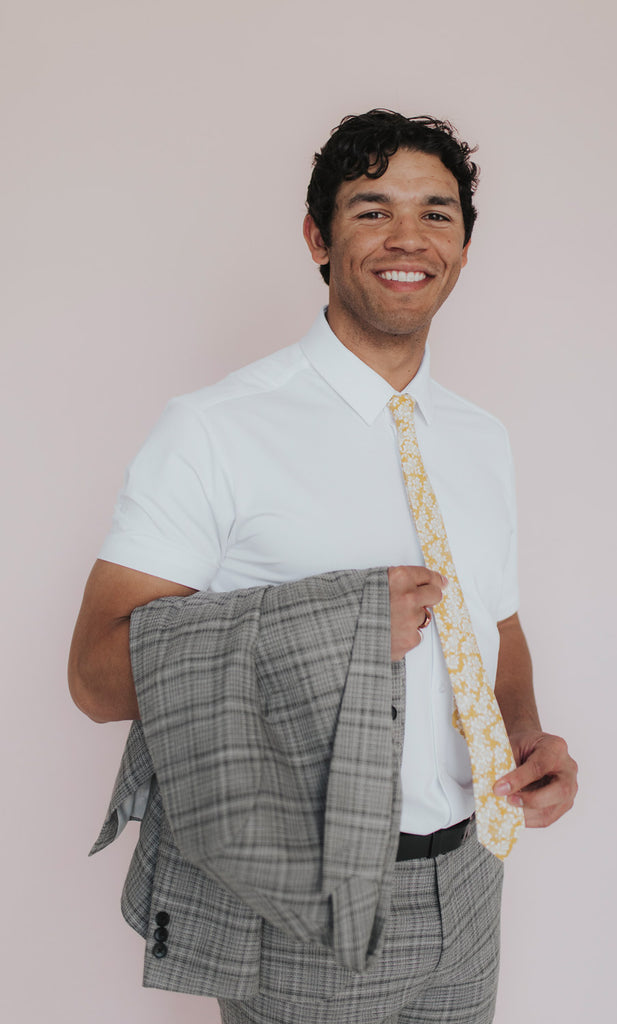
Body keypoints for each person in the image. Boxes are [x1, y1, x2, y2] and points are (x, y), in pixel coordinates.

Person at [69, 109, 578, 1024]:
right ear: (318, 236)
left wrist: (524, 734)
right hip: (307, 900)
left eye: (437, 213)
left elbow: (493, 622)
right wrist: (329, 629)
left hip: (471, 884)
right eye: (371, 210)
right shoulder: (215, 429)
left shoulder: (479, 437)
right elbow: (98, 677)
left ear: (464, 243)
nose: (408, 239)